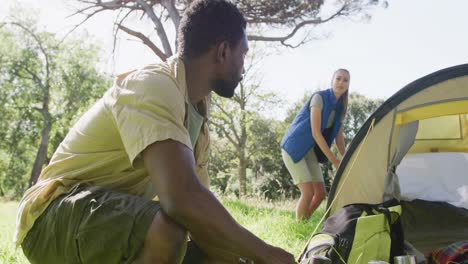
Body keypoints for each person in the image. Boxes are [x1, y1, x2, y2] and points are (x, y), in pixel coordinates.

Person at [14, 1, 296, 263]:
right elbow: (181, 199)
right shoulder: (154, 84)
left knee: (200, 250)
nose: (243, 66)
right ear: (223, 51)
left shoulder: (198, 123)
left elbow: (202, 223)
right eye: (243, 53)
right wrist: (268, 255)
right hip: (48, 216)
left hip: (104, 217)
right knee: (168, 230)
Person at [281, 69, 350, 221]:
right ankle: (298, 226)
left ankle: (303, 222)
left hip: (309, 150)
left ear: (348, 85)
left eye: (345, 80)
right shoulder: (319, 98)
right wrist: (335, 162)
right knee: (308, 192)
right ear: (332, 81)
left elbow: (339, 140)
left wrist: (346, 161)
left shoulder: (341, 108)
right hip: (294, 147)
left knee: (320, 194)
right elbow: (316, 133)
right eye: (338, 78)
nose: (341, 82)